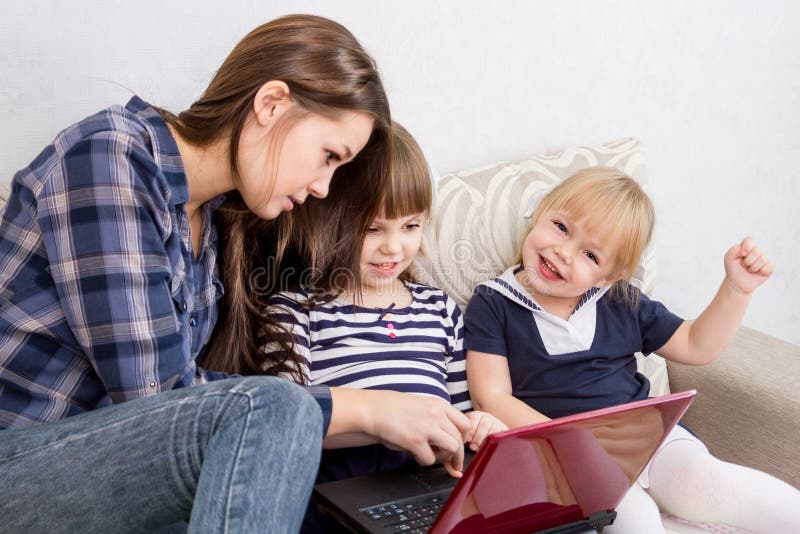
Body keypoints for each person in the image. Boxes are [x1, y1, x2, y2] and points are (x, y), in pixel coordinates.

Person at [0, 15, 471, 533]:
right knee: (276, 407)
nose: (322, 186)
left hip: (110, 477)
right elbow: (160, 403)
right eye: (328, 157)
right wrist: (368, 409)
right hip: (21, 464)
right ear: (271, 104)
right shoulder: (110, 155)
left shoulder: (215, 219)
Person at [464, 166, 800, 533]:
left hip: (646, 435)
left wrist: (736, 290)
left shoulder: (620, 301)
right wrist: (571, 443)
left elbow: (695, 345)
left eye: (590, 255)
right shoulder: (493, 303)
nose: (563, 252)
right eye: (561, 227)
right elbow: (492, 398)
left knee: (702, 483)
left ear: (608, 276)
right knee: (632, 516)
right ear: (542, 209)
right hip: (569, 457)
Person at [261, 123, 507, 532]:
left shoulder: (439, 308)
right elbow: (287, 426)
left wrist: (482, 427)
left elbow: (463, 414)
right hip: (336, 490)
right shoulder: (295, 310)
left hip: (424, 486)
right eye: (373, 228)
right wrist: (384, 426)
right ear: (326, 218)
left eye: (411, 226)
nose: (394, 248)